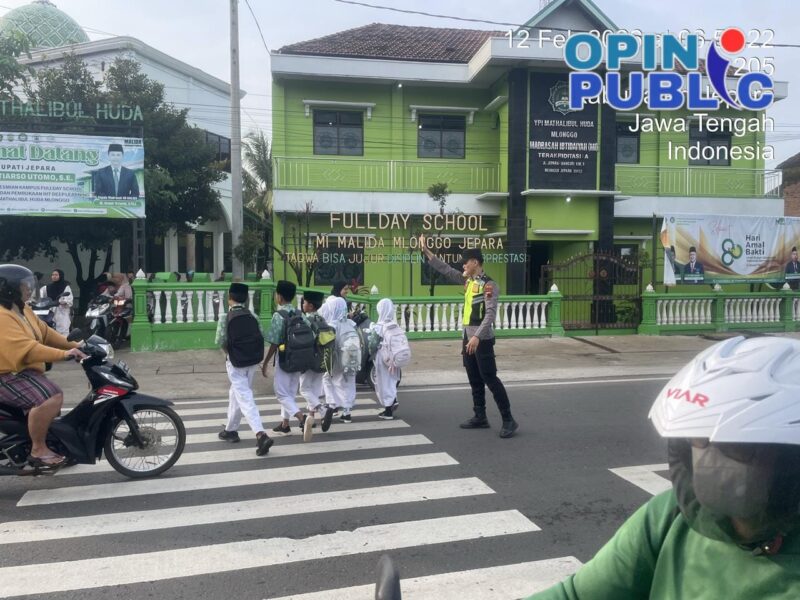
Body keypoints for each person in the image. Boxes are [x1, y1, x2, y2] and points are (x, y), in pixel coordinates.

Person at [526, 335, 800, 599]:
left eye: (736, 447)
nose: (710, 458)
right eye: (699, 440)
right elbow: (576, 595)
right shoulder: (671, 516)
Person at [419, 234, 518, 438]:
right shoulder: (468, 281)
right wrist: (427, 251)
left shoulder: (489, 285)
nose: (463, 265)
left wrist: (477, 337)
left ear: (475, 262)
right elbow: (446, 270)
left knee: (490, 378)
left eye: (466, 262)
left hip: (482, 340)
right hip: (468, 337)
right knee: (474, 378)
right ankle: (480, 416)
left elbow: (490, 315)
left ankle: (509, 419)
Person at [0, 265, 87, 468]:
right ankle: (38, 450)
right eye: (24, 286)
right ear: (10, 289)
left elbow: (46, 333)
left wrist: (76, 345)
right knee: (51, 397)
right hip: (6, 376)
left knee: (51, 398)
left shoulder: (22, 310)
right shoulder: (3, 316)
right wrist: (64, 355)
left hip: (21, 372)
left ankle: (48, 442)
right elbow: (29, 349)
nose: (29, 289)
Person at [215, 282, 273, 456]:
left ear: (229, 297)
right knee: (236, 393)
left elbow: (220, 341)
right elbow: (262, 336)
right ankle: (230, 430)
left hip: (236, 363)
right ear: (246, 298)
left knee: (245, 397)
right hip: (252, 361)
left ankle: (260, 434)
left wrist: (230, 354)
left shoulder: (225, 317)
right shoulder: (252, 315)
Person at [262, 280, 308, 436]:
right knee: (290, 393)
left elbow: (274, 342)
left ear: (279, 297)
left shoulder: (278, 315)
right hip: (299, 358)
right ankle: (285, 424)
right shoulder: (300, 314)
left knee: (281, 393)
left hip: (284, 359)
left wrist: (266, 362)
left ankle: (302, 418)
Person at [297, 290, 331, 440]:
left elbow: (304, 342)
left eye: (304, 302)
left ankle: (322, 409)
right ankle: (310, 419)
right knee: (315, 390)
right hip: (322, 359)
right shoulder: (322, 319)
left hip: (309, 360)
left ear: (310, 306)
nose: (302, 304)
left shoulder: (306, 321)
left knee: (304, 389)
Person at [322, 295, 359, 423]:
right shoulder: (351, 323)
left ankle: (332, 404)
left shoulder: (332, 325)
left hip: (337, 358)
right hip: (352, 358)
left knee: (327, 379)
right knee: (349, 382)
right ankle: (347, 412)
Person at [368, 298, 402, 420]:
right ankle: (393, 400)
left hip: (383, 358)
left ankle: (388, 410)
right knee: (391, 381)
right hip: (395, 357)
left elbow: (372, 345)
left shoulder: (379, 327)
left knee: (383, 382)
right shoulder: (395, 325)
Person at [39, 269, 73, 336]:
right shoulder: (47, 287)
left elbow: (68, 299)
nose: (54, 276)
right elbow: (39, 296)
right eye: (53, 275)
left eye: (56, 275)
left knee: (63, 329)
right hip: (49, 311)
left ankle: (64, 342)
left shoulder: (66, 287)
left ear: (60, 276)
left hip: (62, 311)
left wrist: (62, 301)